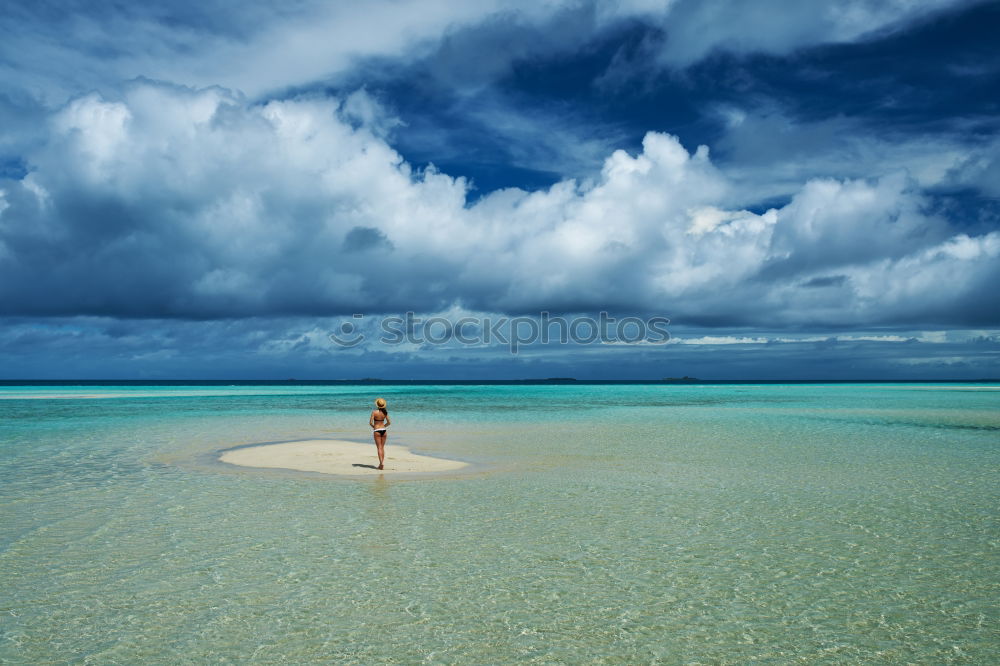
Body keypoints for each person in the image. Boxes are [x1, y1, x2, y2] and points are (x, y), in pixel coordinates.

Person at [369, 398, 391, 470]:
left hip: (377, 430)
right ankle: (382, 463)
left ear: (377, 405)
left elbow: (370, 423)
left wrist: (374, 427)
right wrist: (383, 426)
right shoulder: (385, 413)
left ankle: (381, 463)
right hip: (384, 430)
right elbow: (389, 423)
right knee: (382, 447)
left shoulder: (374, 412)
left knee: (379, 448)